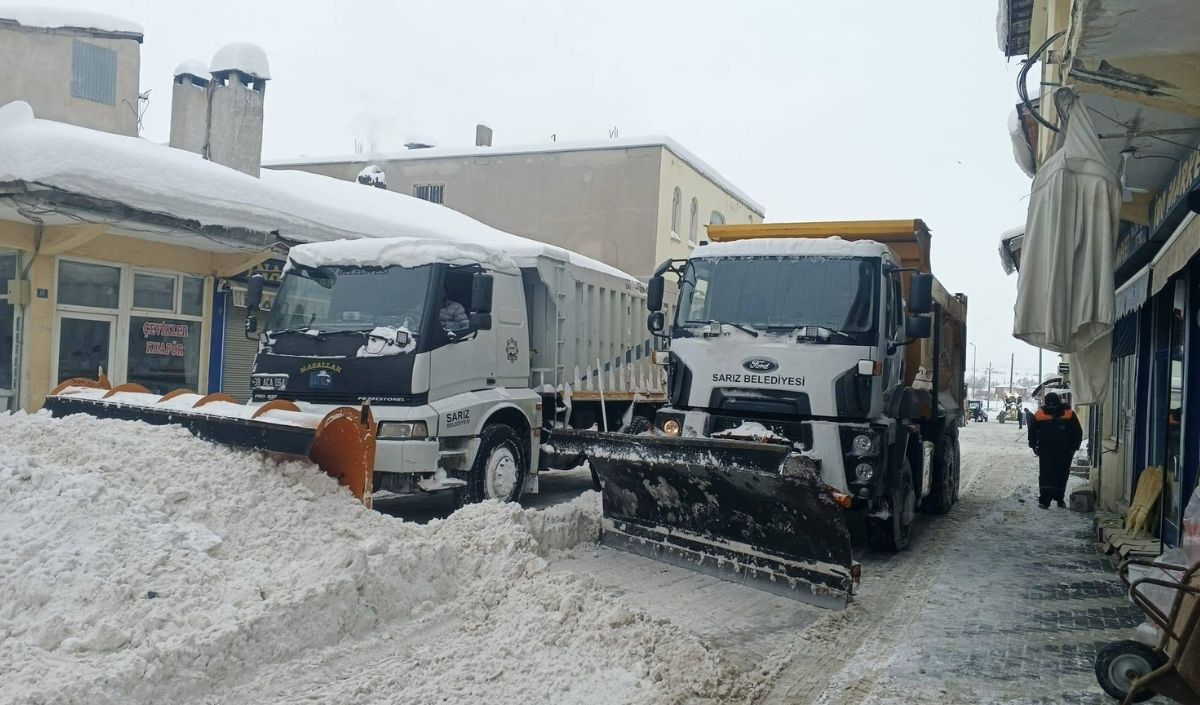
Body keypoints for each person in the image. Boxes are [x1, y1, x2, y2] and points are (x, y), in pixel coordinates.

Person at [1027, 392, 1083, 509]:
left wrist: (1074, 447)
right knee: (1046, 475)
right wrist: (1033, 445)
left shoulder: (1068, 413)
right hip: (1046, 450)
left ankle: (1059, 498)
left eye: (1054, 405)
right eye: (1049, 405)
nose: (1051, 407)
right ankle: (1045, 500)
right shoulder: (1040, 414)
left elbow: (1077, 432)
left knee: (1061, 475)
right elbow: (1032, 431)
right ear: (1046, 404)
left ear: (1058, 403)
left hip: (1064, 451)